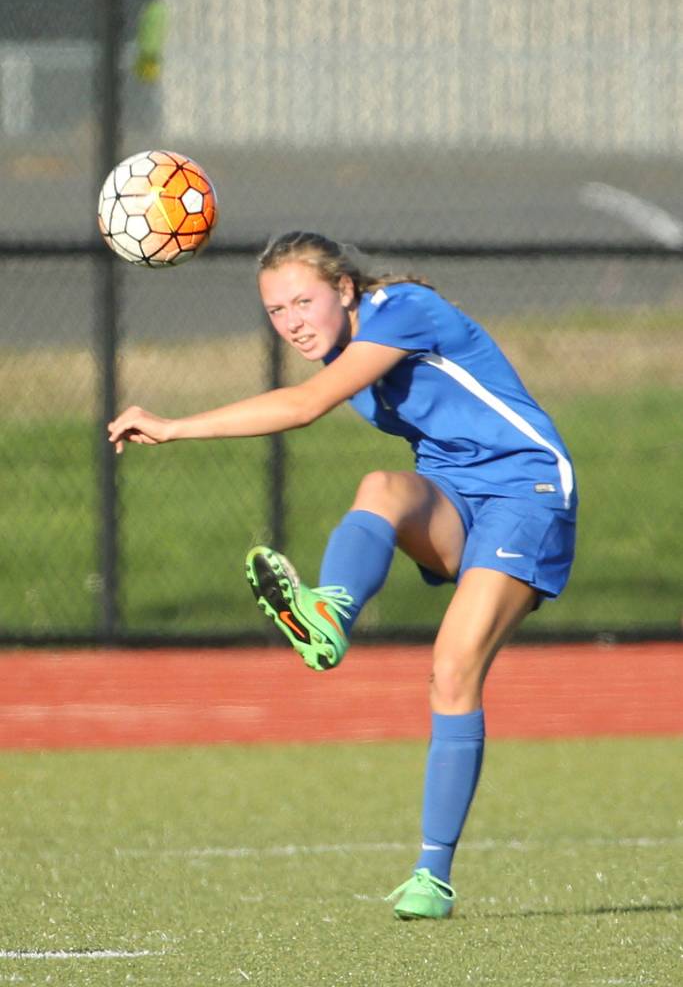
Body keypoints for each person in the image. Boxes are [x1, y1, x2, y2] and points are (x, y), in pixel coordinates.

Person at [108, 231, 578, 921]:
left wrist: (173, 426)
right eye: (276, 311)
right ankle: (328, 616)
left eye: (304, 300)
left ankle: (431, 876)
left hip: (526, 491)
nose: (292, 320)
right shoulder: (342, 343)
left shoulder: (404, 309)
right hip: (451, 491)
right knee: (379, 489)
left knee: (452, 669)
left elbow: (301, 407)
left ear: (345, 289)